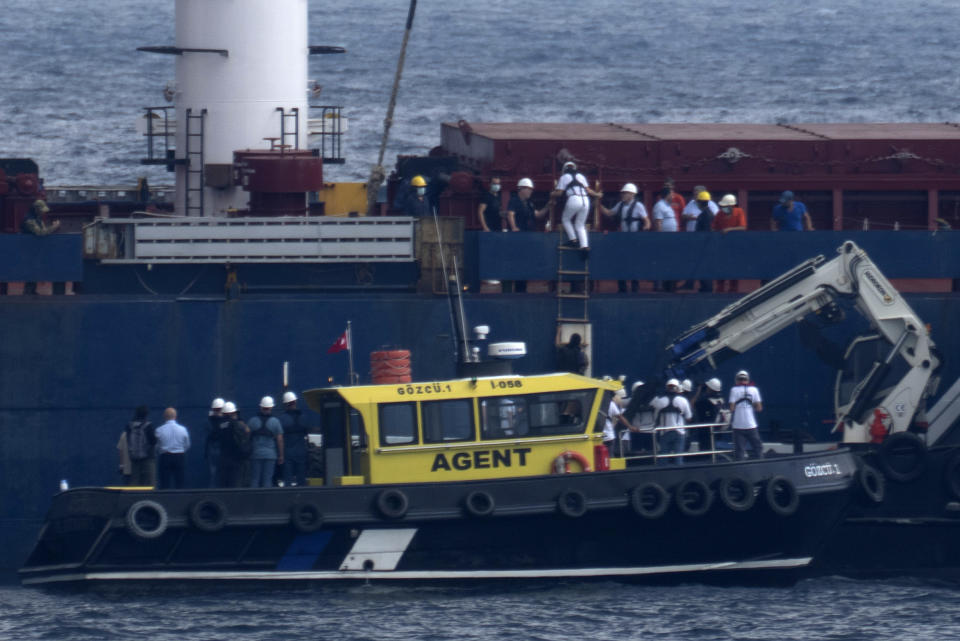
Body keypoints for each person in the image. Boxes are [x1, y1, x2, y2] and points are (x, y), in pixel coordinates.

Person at [600, 183, 649, 293]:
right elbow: (609, 213)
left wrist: (644, 230)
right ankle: (622, 288)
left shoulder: (638, 206)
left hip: (633, 239)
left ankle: (634, 288)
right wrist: (599, 204)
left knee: (633, 263)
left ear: (632, 194)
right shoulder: (620, 205)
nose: (623, 195)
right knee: (621, 262)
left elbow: (647, 221)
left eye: (625, 193)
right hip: (623, 239)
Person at [552, 161, 602, 250]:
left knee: (565, 219)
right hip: (586, 201)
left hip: (574, 199)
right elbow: (589, 191)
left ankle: (573, 240)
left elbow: (559, 193)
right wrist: (597, 195)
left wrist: (552, 194)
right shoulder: (581, 176)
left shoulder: (564, 177)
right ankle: (584, 246)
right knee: (580, 225)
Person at [712, 194, 747, 293]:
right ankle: (720, 289)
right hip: (722, 247)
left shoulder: (739, 212)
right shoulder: (719, 214)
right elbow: (714, 227)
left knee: (734, 270)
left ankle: (733, 289)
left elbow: (743, 227)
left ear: (731, 206)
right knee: (720, 269)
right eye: (722, 207)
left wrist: (729, 229)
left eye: (725, 207)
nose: (723, 209)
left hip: (735, 247)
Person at [247, 396, 284, 488]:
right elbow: (280, 440)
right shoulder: (275, 422)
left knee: (255, 479)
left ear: (261, 407)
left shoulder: (252, 421)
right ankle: (267, 501)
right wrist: (281, 455)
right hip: (270, 455)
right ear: (271, 407)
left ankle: (252, 500)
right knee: (267, 480)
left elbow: (246, 437)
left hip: (255, 455)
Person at [651, 379, 692, 464]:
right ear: (677, 388)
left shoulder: (660, 401)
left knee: (663, 459)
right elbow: (689, 417)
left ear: (666, 388)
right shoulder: (683, 401)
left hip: (664, 432)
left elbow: (655, 419)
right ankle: (679, 474)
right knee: (678, 458)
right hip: (679, 432)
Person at [729, 370, 764, 459]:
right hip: (751, 425)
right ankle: (760, 467)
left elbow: (731, 409)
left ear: (737, 380)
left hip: (738, 426)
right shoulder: (754, 390)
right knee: (758, 448)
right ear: (747, 379)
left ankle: (739, 470)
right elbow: (759, 408)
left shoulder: (734, 390)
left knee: (739, 451)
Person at [217, 402, 251, 488]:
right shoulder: (238, 424)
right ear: (233, 413)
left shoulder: (220, 425)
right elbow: (247, 432)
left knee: (224, 483)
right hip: (237, 458)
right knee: (236, 482)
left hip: (224, 457)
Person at [155, 407, 191, 489]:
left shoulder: (159, 430)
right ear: (175, 416)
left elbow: (156, 445)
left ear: (164, 416)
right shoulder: (183, 429)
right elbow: (187, 444)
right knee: (180, 482)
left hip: (165, 457)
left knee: (164, 482)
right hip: (179, 456)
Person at [279, 391, 309, 487]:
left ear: (285, 404)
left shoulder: (282, 419)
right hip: (301, 451)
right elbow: (306, 432)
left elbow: (279, 437)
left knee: (287, 478)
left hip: (288, 452)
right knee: (301, 478)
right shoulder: (303, 417)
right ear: (295, 402)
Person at [693, 378, 728, 456]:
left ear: (710, 388)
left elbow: (693, 405)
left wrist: (699, 391)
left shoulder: (705, 401)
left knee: (705, 453)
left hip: (705, 432)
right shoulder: (720, 400)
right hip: (717, 430)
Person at [125, 405, 156, 487]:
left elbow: (128, 441)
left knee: (135, 481)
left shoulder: (129, 426)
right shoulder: (148, 426)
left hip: (134, 458)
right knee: (149, 481)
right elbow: (153, 441)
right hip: (147, 457)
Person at [623, 380, 656, 455]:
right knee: (637, 452)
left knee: (649, 452)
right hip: (637, 430)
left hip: (648, 430)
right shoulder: (630, 402)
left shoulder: (653, 401)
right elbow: (620, 402)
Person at [205, 397, 225, 488]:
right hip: (214, 448)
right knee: (214, 473)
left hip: (219, 448)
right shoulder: (211, 421)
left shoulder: (210, 421)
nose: (218, 412)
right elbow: (212, 434)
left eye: (219, 410)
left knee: (220, 472)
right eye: (216, 410)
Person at [602, 388, 628, 456]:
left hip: (600, 436)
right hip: (609, 436)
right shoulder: (611, 404)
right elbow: (620, 417)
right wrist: (630, 426)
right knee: (610, 456)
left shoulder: (596, 403)